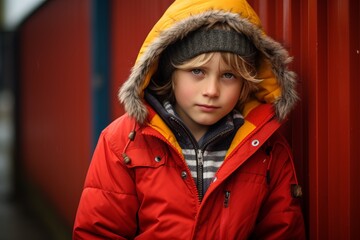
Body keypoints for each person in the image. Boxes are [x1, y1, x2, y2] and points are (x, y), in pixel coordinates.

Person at [73, 0, 306, 239]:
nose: (212, 90)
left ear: (245, 81)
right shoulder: (123, 143)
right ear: (169, 71)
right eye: (197, 71)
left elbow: (282, 231)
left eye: (228, 75)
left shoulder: (266, 150)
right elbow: (99, 231)